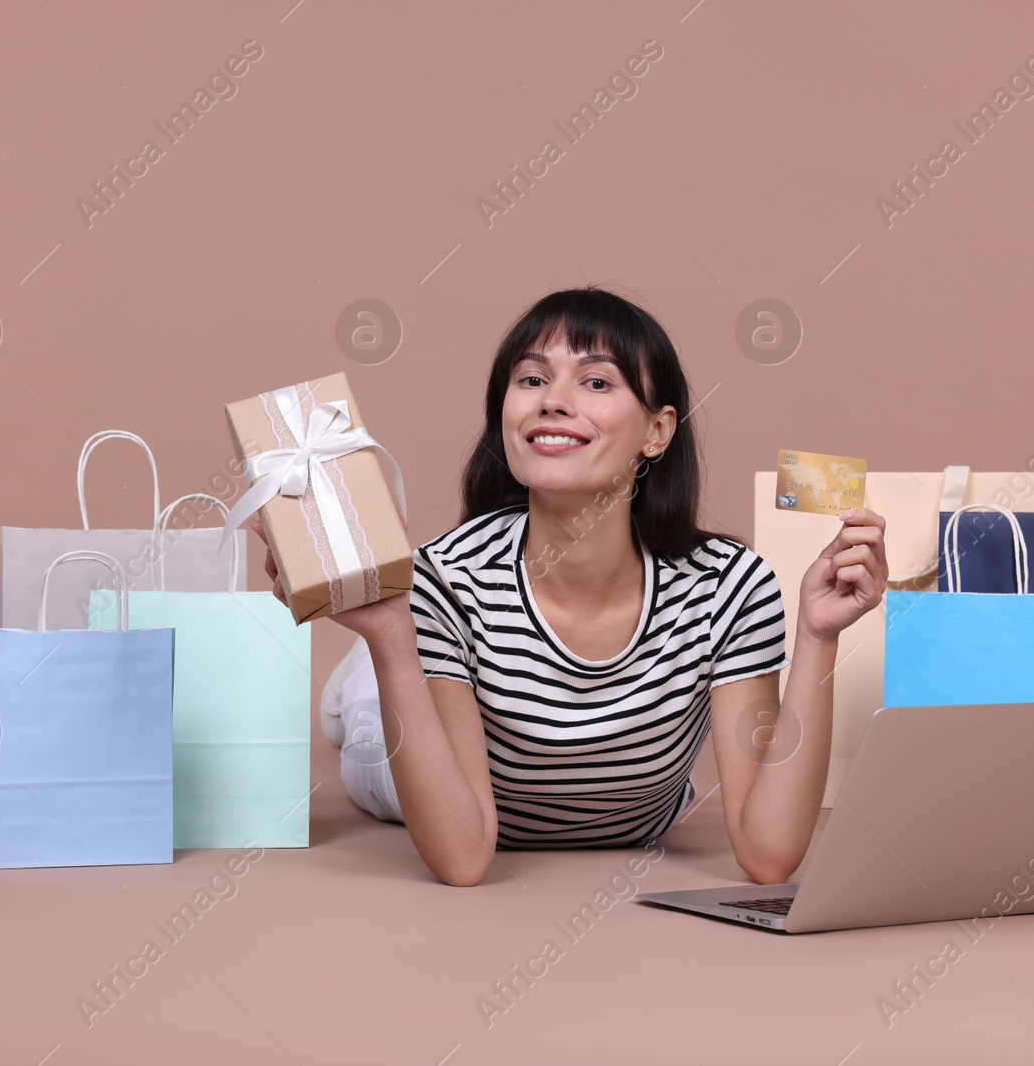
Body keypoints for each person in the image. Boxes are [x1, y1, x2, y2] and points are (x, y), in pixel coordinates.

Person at [254, 287, 888, 886]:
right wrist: (392, 638)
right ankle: (360, 687)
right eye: (531, 379)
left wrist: (816, 637)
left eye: (595, 381)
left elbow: (769, 855)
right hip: (432, 773)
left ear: (657, 432)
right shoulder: (444, 581)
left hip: (611, 793)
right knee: (366, 718)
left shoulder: (730, 586)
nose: (551, 401)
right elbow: (465, 857)